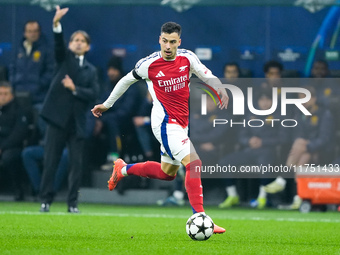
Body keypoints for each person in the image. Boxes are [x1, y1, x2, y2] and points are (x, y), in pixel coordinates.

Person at [92, 21, 228, 233]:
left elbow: (205, 74)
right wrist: (107, 104)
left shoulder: (188, 58)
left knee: (167, 173)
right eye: (164, 41)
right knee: (195, 163)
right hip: (165, 124)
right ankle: (201, 218)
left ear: (178, 42)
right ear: (159, 40)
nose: (167, 46)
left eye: (172, 42)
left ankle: (123, 169)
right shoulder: (148, 64)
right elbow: (125, 81)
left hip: (181, 124)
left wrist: (219, 87)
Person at [39, 6, 99, 213]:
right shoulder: (63, 59)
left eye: (82, 41)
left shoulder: (92, 71)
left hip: (77, 122)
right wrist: (56, 24)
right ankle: (45, 201)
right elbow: (57, 44)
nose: (79, 43)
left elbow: (93, 94)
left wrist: (75, 89)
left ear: (88, 47)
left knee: (76, 166)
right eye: (75, 40)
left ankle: (72, 204)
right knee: (51, 162)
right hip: (57, 120)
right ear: (70, 44)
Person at [264, 86, 334, 209]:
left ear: (314, 99)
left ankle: (282, 179)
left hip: (323, 152)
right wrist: (305, 147)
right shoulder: (299, 114)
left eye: (305, 98)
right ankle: (298, 197)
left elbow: (325, 139)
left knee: (300, 143)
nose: (302, 101)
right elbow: (297, 135)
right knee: (303, 158)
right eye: (300, 98)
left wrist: (308, 145)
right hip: (305, 152)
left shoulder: (325, 114)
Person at [218, 90, 282, 209]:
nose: (264, 102)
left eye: (268, 100)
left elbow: (282, 137)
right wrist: (248, 141)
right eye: (262, 100)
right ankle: (232, 196)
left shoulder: (279, 115)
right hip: (249, 151)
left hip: (267, 151)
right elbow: (241, 135)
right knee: (224, 162)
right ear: (258, 102)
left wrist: (263, 142)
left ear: (273, 102)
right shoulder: (251, 115)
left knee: (265, 163)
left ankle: (262, 197)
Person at [0, 81, 29, 200]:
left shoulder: (19, 110)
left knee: (9, 157)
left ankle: (18, 189)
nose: (2, 97)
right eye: (0, 94)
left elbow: (18, 134)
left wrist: (2, 147)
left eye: (5, 94)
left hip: (12, 146)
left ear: (11, 95)